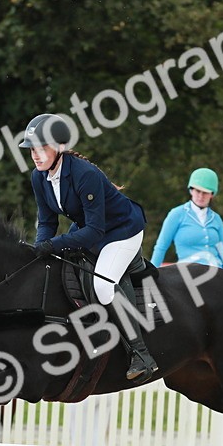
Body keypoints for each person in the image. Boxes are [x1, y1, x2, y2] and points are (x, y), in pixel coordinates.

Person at [21, 112, 158, 383]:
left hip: (122, 231)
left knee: (104, 285)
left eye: (42, 148)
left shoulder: (85, 174)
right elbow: (47, 222)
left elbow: (95, 230)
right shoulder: (39, 177)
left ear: (59, 148)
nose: (36, 155)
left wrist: (54, 244)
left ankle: (141, 354)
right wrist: (40, 248)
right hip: (91, 231)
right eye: (32, 150)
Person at [150, 168, 223, 270]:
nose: (201, 196)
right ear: (191, 190)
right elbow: (161, 247)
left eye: (205, 192)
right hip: (188, 271)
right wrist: (150, 276)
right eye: (198, 191)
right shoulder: (176, 214)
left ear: (212, 194)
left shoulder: (216, 219)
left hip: (216, 271)